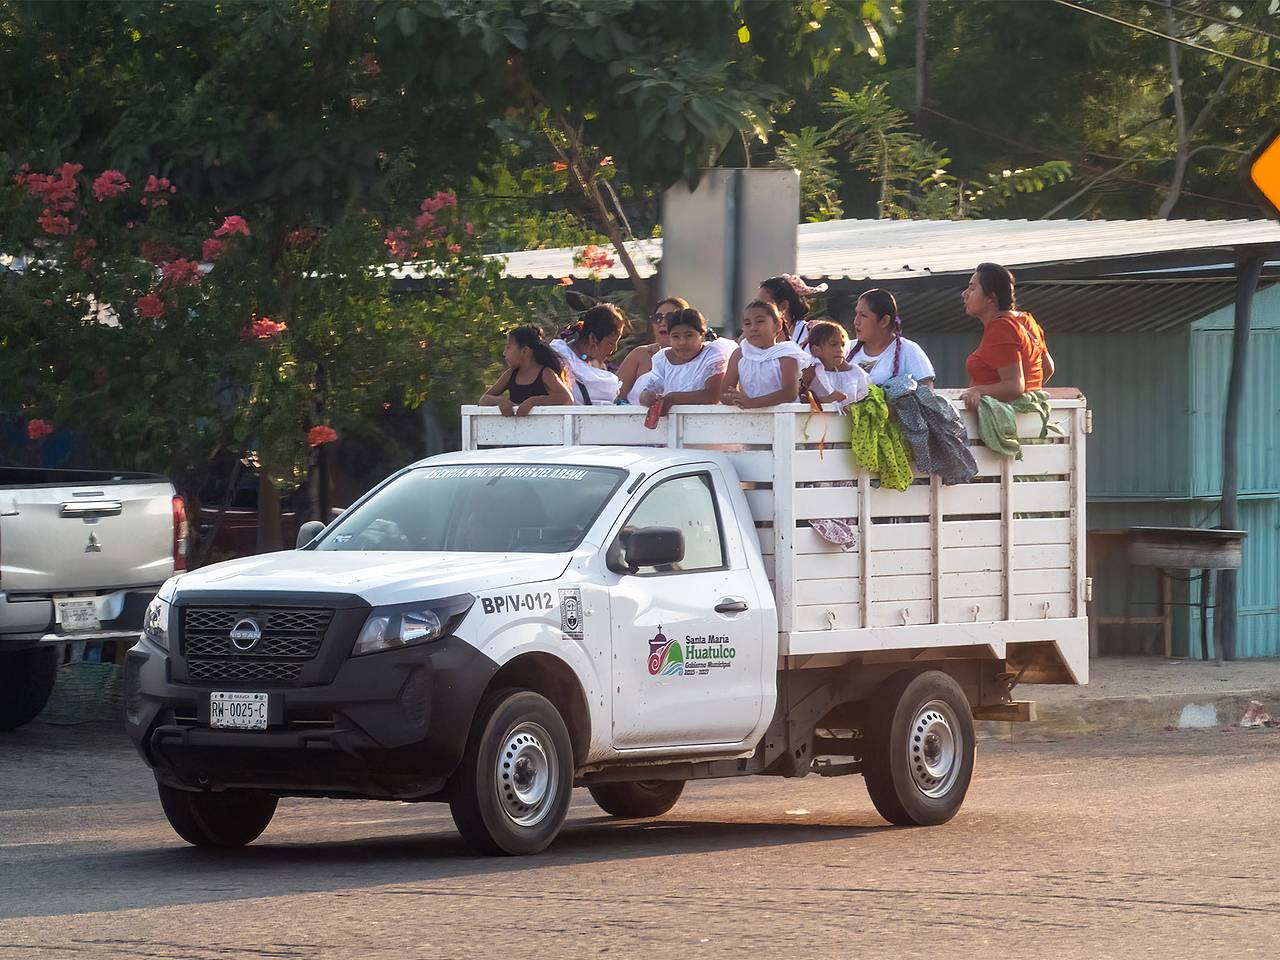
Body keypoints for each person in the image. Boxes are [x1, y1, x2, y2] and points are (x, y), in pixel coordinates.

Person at [957, 262, 1055, 410]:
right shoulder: (1025, 320)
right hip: (1027, 420)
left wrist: (978, 391)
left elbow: (1014, 386)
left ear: (991, 297)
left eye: (972, 288)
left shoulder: (1001, 327)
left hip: (1005, 423)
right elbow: (1047, 368)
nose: (964, 294)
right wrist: (1028, 395)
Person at [635, 308, 728, 416]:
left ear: (702, 336)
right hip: (671, 426)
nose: (682, 342)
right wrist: (646, 397)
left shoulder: (712, 355)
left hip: (707, 422)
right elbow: (650, 389)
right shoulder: (661, 359)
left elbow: (712, 396)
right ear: (669, 337)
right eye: (675, 336)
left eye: (689, 335)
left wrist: (672, 398)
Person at [721, 299, 813, 408]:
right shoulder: (740, 354)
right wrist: (737, 399)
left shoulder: (787, 354)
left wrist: (753, 403)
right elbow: (724, 393)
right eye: (747, 323)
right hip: (748, 418)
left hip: (784, 418)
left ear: (778, 325)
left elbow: (789, 393)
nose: (753, 328)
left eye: (760, 321)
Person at [847, 289, 936, 388]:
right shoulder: (845, 348)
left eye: (863, 315)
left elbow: (926, 395)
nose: (856, 321)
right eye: (856, 314)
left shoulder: (909, 350)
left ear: (884, 321)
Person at [479, 325, 574, 417]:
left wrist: (532, 402)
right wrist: (500, 401)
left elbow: (566, 398)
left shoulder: (546, 373)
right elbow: (484, 400)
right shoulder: (511, 374)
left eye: (508, 347)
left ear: (524, 351)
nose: (504, 353)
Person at [550, 303, 626, 405]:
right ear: (593, 338)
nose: (614, 349)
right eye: (610, 343)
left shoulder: (599, 369)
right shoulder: (558, 357)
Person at [618, 296, 685, 404]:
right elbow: (615, 397)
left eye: (670, 317)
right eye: (657, 318)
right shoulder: (640, 354)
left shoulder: (695, 357)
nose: (662, 323)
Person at [801, 320, 869, 412]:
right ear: (816, 350)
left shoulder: (853, 374)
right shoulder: (810, 371)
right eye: (833, 344)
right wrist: (826, 399)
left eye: (842, 344)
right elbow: (796, 399)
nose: (840, 349)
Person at [758, 274, 827, 346]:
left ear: (783, 306)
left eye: (764, 305)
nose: (757, 309)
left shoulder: (813, 334)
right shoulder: (754, 337)